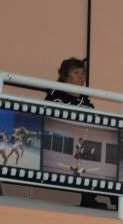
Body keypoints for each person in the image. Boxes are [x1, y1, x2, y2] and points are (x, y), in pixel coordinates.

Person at [44, 57, 107, 210]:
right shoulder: (55, 95)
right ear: (65, 75)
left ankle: (117, 200)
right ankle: (88, 198)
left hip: (82, 141)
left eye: (83, 73)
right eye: (76, 73)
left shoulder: (85, 100)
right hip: (59, 140)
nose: (81, 77)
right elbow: (52, 120)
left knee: (105, 149)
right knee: (89, 150)